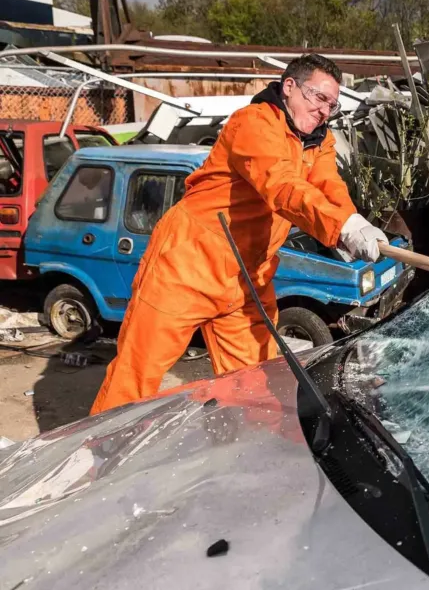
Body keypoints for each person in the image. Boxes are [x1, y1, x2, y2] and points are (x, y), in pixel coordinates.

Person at [90, 54, 388, 415]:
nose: (324, 110)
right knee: (136, 374)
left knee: (256, 382)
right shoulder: (253, 124)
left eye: (331, 104)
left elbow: (328, 186)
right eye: (318, 97)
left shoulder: (317, 141)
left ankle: (245, 445)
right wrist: (340, 226)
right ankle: (101, 447)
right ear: (289, 87)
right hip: (187, 265)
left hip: (247, 278)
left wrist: (354, 222)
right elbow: (281, 185)